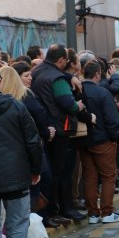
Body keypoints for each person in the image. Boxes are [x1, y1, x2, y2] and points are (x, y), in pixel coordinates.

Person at [0, 65, 42, 238]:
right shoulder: (16, 106)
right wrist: (35, 169)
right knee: (18, 221)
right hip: (17, 173)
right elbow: (33, 141)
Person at [31, 44, 86, 224]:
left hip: (45, 128)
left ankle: (52, 211)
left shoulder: (37, 71)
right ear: (62, 60)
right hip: (61, 129)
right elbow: (67, 103)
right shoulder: (57, 78)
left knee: (52, 172)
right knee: (62, 172)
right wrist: (77, 106)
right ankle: (62, 210)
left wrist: (69, 75)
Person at [77, 61, 119, 224]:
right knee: (107, 177)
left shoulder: (77, 91)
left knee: (89, 177)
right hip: (103, 140)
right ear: (98, 74)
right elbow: (112, 119)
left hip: (83, 140)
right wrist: (114, 137)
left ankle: (93, 213)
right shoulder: (102, 92)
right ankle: (107, 212)